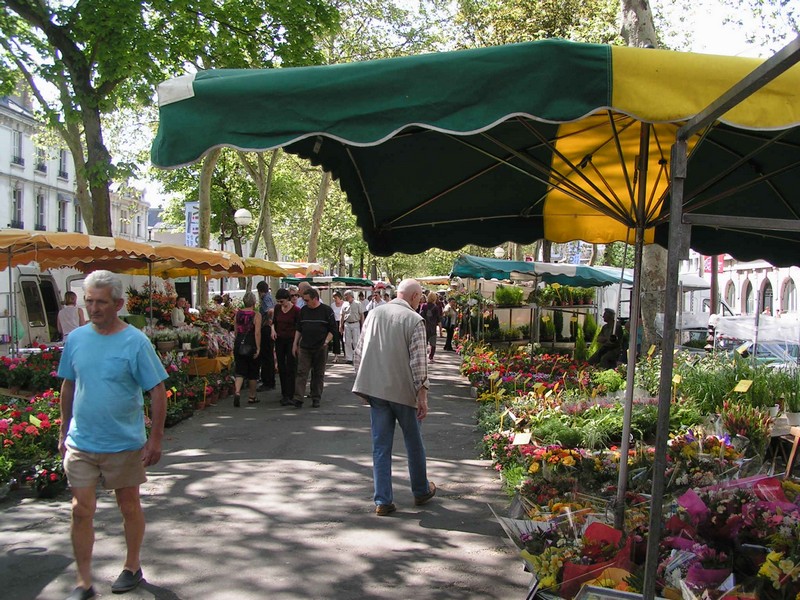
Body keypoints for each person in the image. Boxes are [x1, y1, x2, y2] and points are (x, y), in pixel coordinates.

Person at [57, 270, 168, 600]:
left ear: (118, 304)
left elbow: (157, 390)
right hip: (82, 441)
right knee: (81, 509)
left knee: (128, 506)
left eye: (101, 302)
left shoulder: (135, 342)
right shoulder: (76, 339)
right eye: (89, 301)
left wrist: (156, 438)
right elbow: (68, 384)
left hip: (122, 442)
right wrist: (63, 430)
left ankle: (132, 565)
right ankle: (83, 581)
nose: (94, 308)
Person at [353, 278, 436, 516]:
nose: (420, 301)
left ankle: (383, 500)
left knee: (380, 446)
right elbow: (419, 363)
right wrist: (423, 396)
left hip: (377, 391)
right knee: (413, 443)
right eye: (420, 297)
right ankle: (420, 490)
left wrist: (362, 384)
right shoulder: (414, 320)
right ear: (414, 296)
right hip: (403, 392)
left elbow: (360, 351)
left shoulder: (374, 314)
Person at [292, 286, 336, 409]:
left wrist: (326, 341)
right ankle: (298, 398)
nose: (305, 302)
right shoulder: (303, 311)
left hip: (320, 347)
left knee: (318, 373)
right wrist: (295, 344)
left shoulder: (326, 311)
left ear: (315, 299)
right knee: (301, 372)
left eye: (307, 300)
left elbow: (333, 329)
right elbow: (299, 329)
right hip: (305, 347)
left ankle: (316, 397)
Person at [272, 288, 300, 406]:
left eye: (282, 301)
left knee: (291, 367)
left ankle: (291, 393)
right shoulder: (277, 308)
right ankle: (284, 394)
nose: (280, 304)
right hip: (279, 340)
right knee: (282, 367)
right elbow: (273, 321)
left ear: (288, 299)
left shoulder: (296, 310)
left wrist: (295, 344)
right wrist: (272, 330)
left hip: (291, 340)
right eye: (278, 301)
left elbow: (298, 328)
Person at [233, 292, 262, 407]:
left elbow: (235, 330)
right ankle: (252, 396)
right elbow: (257, 333)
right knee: (253, 371)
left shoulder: (238, 314)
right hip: (251, 343)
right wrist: (258, 348)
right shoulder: (256, 315)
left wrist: (237, 341)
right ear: (254, 302)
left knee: (240, 370)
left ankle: (237, 391)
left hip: (239, 342)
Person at [256, 281, 275, 392]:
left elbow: (270, 311)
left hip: (266, 329)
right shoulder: (269, 297)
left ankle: (268, 381)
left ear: (260, 291)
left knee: (266, 356)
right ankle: (269, 380)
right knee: (268, 356)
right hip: (268, 328)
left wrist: (267, 321)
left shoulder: (266, 299)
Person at [340, 289, 364, 364]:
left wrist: (362, 325)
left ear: (350, 295)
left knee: (356, 341)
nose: (345, 297)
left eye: (346, 295)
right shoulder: (344, 304)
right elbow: (342, 315)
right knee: (347, 341)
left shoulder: (358, 303)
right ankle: (349, 358)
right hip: (347, 324)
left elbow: (361, 315)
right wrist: (340, 326)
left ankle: (357, 357)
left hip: (356, 323)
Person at [419, 291, 443, 362]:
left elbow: (420, 316)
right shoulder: (436, 307)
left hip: (424, 327)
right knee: (433, 344)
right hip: (432, 328)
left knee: (424, 343)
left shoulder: (423, 306)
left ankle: (423, 356)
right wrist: (441, 331)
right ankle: (431, 357)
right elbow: (438, 319)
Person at [330, 291, 344, 361]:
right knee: (336, 339)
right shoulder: (332, 305)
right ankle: (336, 356)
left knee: (344, 339)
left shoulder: (344, 304)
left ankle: (346, 354)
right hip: (335, 323)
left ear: (339, 297)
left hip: (343, 322)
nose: (334, 299)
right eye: (334, 298)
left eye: (336, 297)